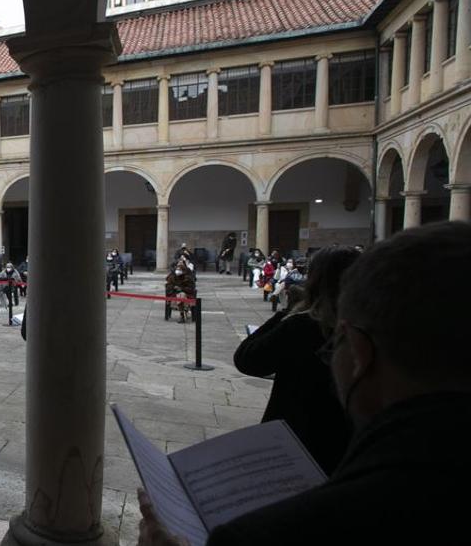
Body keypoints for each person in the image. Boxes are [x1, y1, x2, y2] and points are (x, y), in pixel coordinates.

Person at [139, 221, 471, 546]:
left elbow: (248, 358)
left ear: (358, 351)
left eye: (335, 344)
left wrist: (291, 311)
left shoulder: (271, 533)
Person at [233, 247, 358, 475]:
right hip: (349, 445)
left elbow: (247, 358)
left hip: (294, 438)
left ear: (315, 281)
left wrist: (288, 312)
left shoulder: (304, 326)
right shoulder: (372, 327)